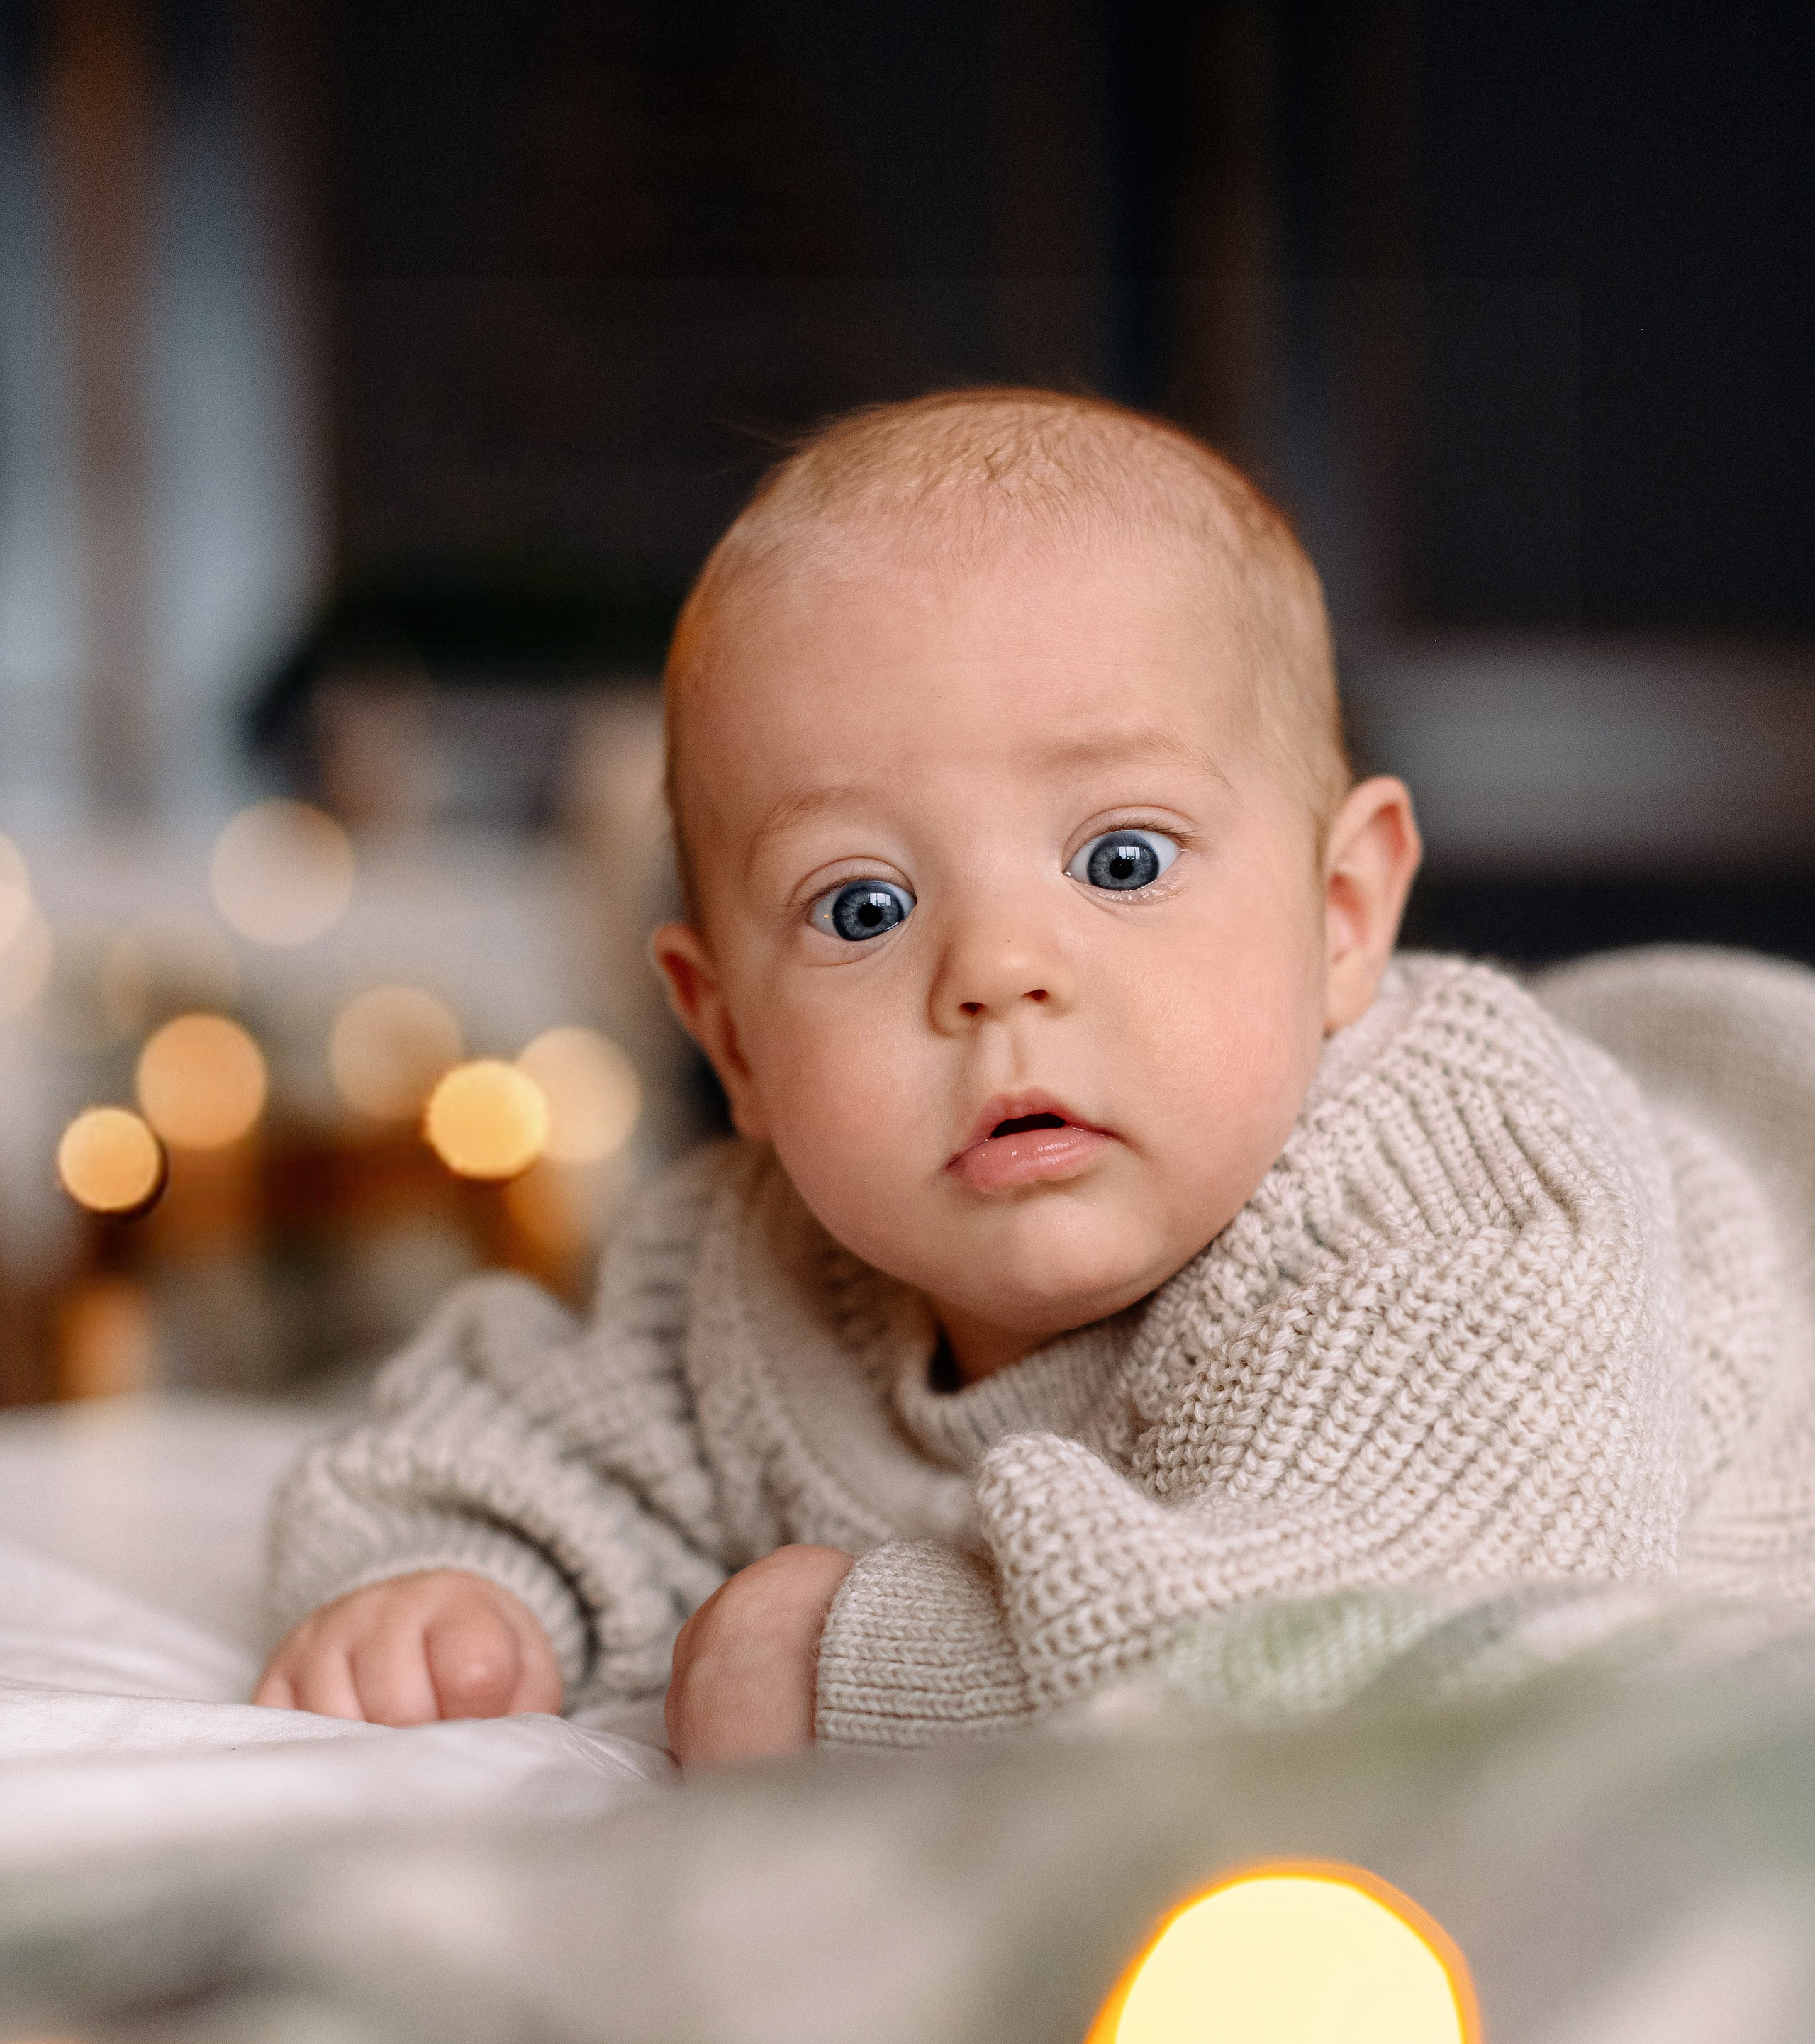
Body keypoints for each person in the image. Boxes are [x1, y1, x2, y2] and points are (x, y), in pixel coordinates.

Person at [256, 387, 1815, 1765]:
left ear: (1341, 917)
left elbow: (1401, 1647)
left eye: (1121, 860)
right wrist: (460, 1587)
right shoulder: (747, 1271)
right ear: (729, 1036)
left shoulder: (1452, 1194)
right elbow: (518, 1441)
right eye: (862, 907)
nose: (996, 970)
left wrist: (856, 1666)